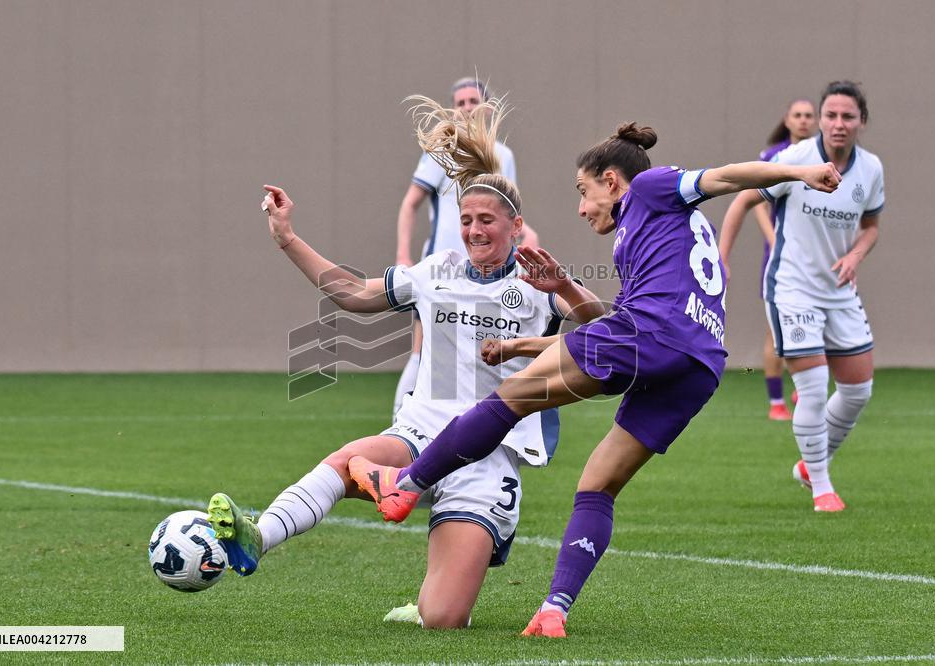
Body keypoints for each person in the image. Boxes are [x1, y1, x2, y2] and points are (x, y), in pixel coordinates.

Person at [349, 104, 841, 637]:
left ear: (612, 181)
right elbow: (609, 330)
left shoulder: (650, 188)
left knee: (508, 399)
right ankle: (554, 609)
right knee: (597, 485)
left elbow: (724, 177)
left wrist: (801, 171)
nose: (583, 208)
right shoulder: (649, 236)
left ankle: (406, 484)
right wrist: (531, 334)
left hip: (651, 336)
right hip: (699, 364)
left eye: (584, 191)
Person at [207, 101, 602, 629]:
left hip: (487, 455)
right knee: (346, 458)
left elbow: (606, 326)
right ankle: (260, 536)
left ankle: (405, 494)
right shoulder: (436, 271)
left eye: (487, 220)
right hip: (423, 428)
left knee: (441, 619)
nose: (474, 230)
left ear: (516, 225)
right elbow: (352, 293)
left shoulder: (537, 282)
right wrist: (287, 239)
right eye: (465, 220)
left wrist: (566, 287)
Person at [713, 81, 883, 513]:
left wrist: (857, 256)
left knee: (858, 391)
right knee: (811, 387)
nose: (838, 124)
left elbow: (870, 226)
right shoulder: (795, 159)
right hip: (792, 288)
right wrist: (721, 258)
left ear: (861, 121)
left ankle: (811, 464)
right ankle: (822, 487)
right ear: (820, 119)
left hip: (839, 291)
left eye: (848, 116)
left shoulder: (871, 169)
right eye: (831, 115)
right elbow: (743, 201)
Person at [392, 77, 539, 420]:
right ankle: (403, 422)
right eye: (460, 103)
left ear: (486, 108)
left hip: (488, 273)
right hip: (446, 270)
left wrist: (526, 234)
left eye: (473, 100)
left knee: (479, 355)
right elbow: (410, 203)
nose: (467, 107)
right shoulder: (444, 151)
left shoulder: (503, 156)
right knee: (426, 347)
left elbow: (505, 209)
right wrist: (403, 253)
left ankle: (467, 429)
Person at [719, 99, 817, 421]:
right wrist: (773, 238)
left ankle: (803, 387)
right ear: (787, 120)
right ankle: (777, 401)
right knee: (775, 329)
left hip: (812, 255)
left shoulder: (821, 156)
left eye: (808, 115)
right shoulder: (775, 157)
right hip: (781, 256)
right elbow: (755, 201)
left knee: (812, 321)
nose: (803, 121)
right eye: (797, 115)